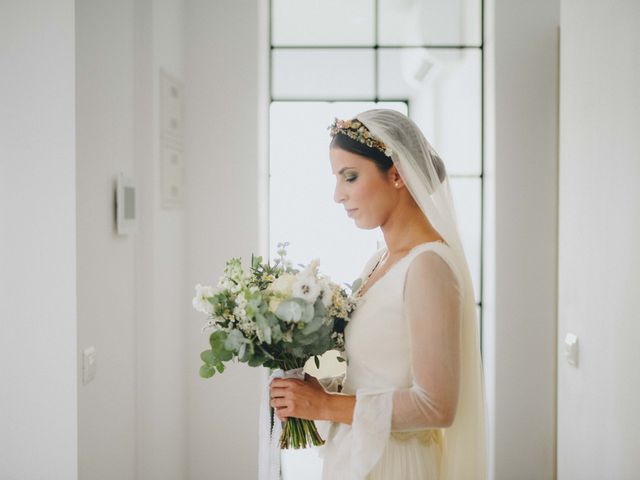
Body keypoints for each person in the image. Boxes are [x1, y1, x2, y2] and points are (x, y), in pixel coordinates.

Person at [269, 109, 487, 480]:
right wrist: (313, 389)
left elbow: (437, 406)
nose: (338, 195)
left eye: (350, 177)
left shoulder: (428, 266)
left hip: (394, 465)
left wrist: (324, 405)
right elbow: (376, 375)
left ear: (397, 174)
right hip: (356, 455)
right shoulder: (378, 261)